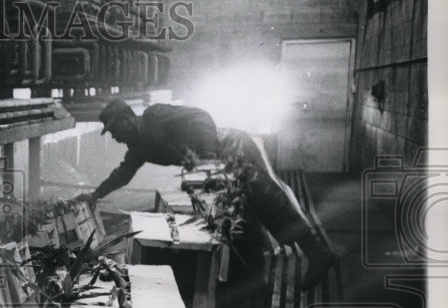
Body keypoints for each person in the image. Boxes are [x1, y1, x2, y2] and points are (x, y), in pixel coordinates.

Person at [78, 98, 336, 290]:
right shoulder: (139, 146)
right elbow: (123, 173)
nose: (114, 137)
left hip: (232, 149)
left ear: (127, 119)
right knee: (242, 216)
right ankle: (255, 276)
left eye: (113, 130)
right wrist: (96, 195)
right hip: (216, 164)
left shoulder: (154, 116)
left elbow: (200, 116)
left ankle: (318, 253)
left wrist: (208, 156)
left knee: (268, 202)